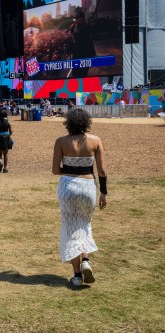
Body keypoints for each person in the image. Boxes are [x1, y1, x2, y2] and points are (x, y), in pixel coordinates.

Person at [52, 108, 107, 287]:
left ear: (68, 124)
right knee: (85, 224)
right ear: (86, 123)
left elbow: (54, 170)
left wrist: (69, 171)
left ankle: (76, 276)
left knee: (70, 228)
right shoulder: (95, 141)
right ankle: (86, 261)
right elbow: (102, 171)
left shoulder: (61, 141)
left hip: (68, 186)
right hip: (87, 186)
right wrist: (103, 193)